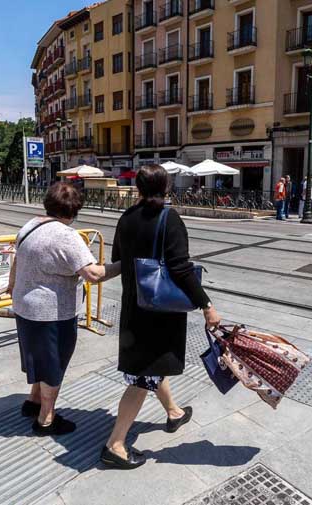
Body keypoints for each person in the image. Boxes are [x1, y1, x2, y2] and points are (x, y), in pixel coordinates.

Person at [102, 164, 220, 469]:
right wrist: (206, 304)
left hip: (134, 308)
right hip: (158, 313)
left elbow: (119, 260)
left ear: (138, 188)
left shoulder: (126, 218)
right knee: (143, 378)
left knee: (152, 365)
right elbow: (180, 268)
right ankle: (115, 445)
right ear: (166, 187)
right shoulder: (169, 218)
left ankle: (174, 412)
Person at [9, 182, 120, 436]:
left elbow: (17, 258)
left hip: (24, 306)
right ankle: (46, 419)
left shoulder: (30, 225)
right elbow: (93, 274)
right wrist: (123, 265)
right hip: (51, 313)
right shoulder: (67, 236)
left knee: (38, 357)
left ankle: (33, 400)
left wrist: (11, 285)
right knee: (54, 364)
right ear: (73, 211)